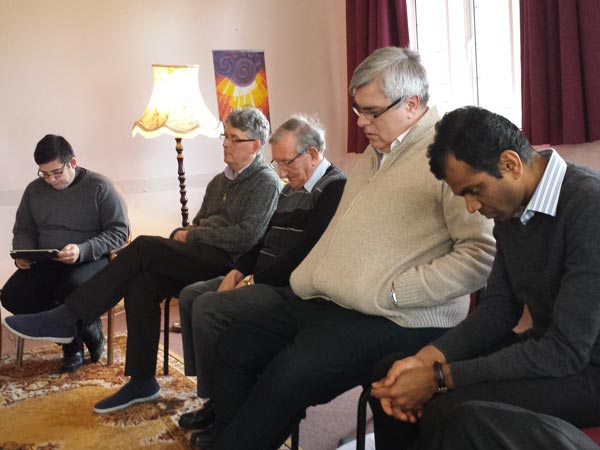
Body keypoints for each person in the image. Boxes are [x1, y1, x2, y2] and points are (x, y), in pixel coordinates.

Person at [185, 47, 496, 450]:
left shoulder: (449, 156)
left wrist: (397, 292)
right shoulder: (375, 153)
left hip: (399, 316)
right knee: (233, 346)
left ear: (411, 104)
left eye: (371, 112)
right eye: (358, 110)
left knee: (288, 374)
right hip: (334, 301)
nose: (361, 122)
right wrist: (307, 278)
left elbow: (480, 254)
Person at [3, 107, 282, 411]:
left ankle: (67, 318)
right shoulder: (219, 181)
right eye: (224, 136)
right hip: (203, 254)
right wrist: (191, 233)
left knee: (144, 246)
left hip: (231, 266)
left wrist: (193, 234)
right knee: (141, 283)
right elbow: (198, 224)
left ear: (254, 145)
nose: (225, 143)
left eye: (233, 138)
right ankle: (142, 381)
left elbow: (246, 237)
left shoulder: (265, 182)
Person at [369, 106, 600, 450]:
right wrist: (425, 359)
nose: (471, 207)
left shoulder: (589, 206)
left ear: (510, 164)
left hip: (589, 371)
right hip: (552, 350)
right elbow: (498, 312)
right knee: (391, 372)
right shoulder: (511, 210)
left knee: (447, 409)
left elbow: (566, 351)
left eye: (474, 190)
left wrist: (440, 378)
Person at [175, 114, 346, 446]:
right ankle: (217, 399)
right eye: (277, 163)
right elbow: (264, 239)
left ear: (312, 154)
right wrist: (238, 271)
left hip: (290, 289)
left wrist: (254, 281)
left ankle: (225, 413)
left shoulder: (334, 188)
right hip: (263, 278)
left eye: (286, 162)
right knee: (191, 295)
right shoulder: (291, 188)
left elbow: (305, 253)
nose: (281, 172)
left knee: (209, 307)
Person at [0, 134, 128, 373]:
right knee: (12, 296)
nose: (50, 180)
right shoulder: (34, 190)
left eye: (56, 173)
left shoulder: (99, 186)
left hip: (90, 259)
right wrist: (23, 253)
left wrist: (82, 250)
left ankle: (72, 348)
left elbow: (119, 232)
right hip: (48, 260)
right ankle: (83, 331)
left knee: (69, 288)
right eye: (44, 174)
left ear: (72, 162)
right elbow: (24, 229)